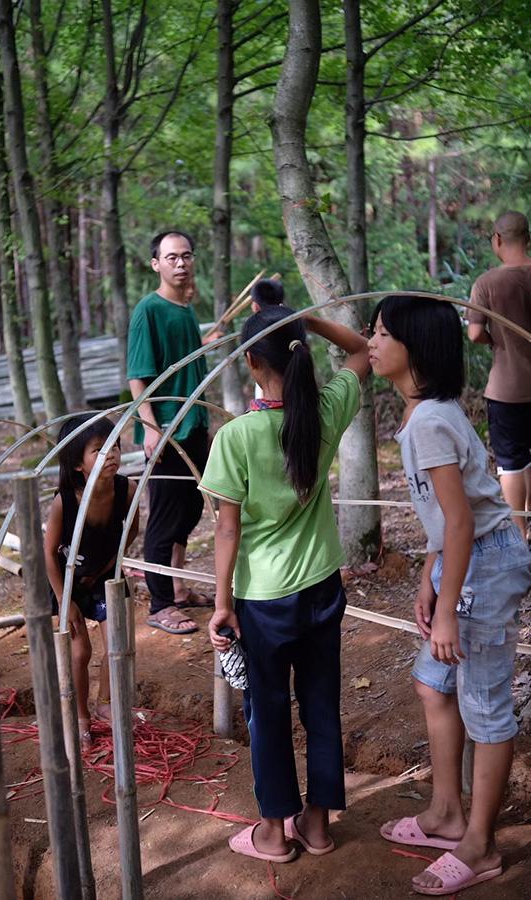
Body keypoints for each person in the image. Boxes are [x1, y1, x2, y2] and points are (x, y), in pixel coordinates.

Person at [369, 295, 531, 896]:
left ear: (417, 348)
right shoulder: (426, 414)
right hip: (463, 562)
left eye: (384, 333)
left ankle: (481, 845)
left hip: (485, 564)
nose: (373, 342)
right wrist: (428, 578)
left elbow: (463, 522)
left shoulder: (432, 421)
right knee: (432, 683)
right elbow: (446, 518)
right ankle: (445, 811)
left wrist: (446, 603)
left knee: (485, 705)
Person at [201, 305, 370, 863]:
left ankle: (274, 832)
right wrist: (314, 323)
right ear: (297, 353)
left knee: (267, 711)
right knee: (321, 703)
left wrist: (221, 604)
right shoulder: (323, 411)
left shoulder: (237, 437)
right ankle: (317, 825)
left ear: (251, 362)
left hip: (263, 600)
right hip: (322, 585)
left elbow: (227, 529)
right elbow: (363, 352)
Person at [127, 230, 217, 636]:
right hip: (166, 429)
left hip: (195, 424)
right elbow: (138, 377)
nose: (180, 263)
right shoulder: (149, 309)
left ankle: (178, 589)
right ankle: (161, 604)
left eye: (186, 256)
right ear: (156, 264)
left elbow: (185, 358)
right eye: (171, 257)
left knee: (191, 509)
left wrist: (204, 342)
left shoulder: (183, 308)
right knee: (164, 517)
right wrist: (149, 427)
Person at [44, 414, 139, 749]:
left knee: (116, 644)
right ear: (77, 465)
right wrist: (64, 599)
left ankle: (105, 703)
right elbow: (48, 554)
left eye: (114, 446)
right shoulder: (65, 501)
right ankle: (81, 714)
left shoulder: (126, 489)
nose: (110, 453)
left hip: (104, 576)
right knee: (80, 650)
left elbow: (131, 532)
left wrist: (111, 568)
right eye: (99, 450)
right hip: (67, 579)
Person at [468, 211, 531, 541]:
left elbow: (475, 333)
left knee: (511, 462)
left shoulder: (487, 283)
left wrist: (499, 342)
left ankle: (520, 534)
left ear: (497, 240)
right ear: (528, 239)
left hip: (507, 389)